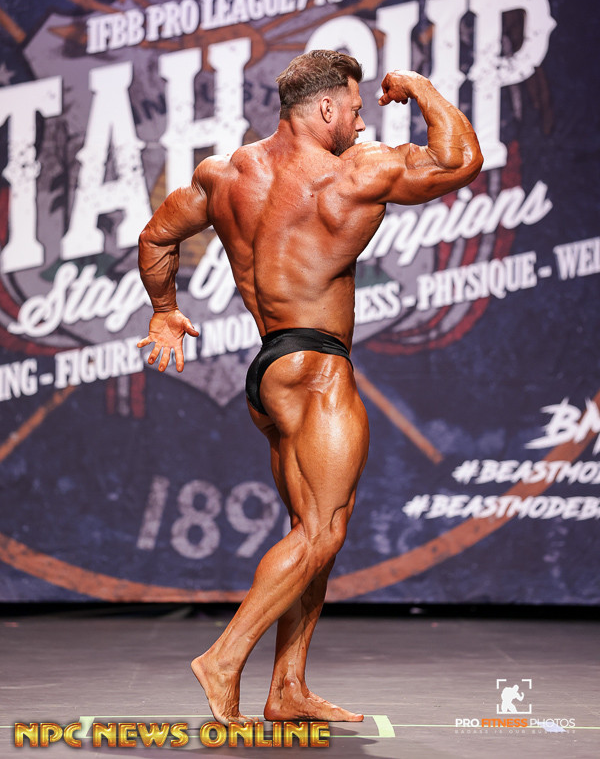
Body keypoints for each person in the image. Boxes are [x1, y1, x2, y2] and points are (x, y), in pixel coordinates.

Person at [137, 50, 483, 724]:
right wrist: (417, 86)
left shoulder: (224, 174)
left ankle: (287, 688)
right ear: (325, 107)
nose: (361, 121)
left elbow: (156, 237)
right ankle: (223, 658)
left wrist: (164, 309)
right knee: (323, 531)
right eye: (355, 108)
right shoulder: (353, 172)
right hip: (318, 368)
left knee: (309, 531)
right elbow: (461, 160)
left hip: (271, 371)